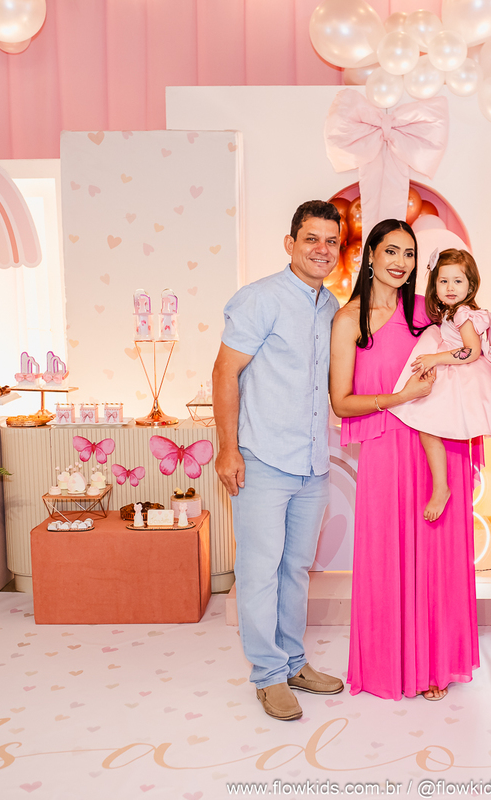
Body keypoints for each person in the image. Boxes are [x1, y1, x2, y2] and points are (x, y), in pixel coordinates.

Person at [330, 219, 480, 702]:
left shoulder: (426, 311)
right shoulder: (349, 320)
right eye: (391, 251)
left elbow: (469, 356)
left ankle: (436, 665)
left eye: (409, 254)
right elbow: (341, 402)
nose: (400, 262)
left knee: (438, 558)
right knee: (386, 558)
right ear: (370, 256)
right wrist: (400, 397)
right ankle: (390, 666)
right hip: (385, 449)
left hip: (437, 447)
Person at [212, 200, 346, 722]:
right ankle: (268, 674)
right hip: (262, 458)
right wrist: (228, 449)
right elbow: (225, 372)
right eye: (311, 238)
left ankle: (293, 662)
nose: (321, 249)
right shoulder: (260, 298)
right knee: (259, 571)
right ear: (290, 243)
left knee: (295, 570)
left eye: (331, 241)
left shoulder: (332, 307)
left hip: (312, 463)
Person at [389, 248, 491, 521]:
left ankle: (441, 487)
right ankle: (441, 486)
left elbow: (471, 351)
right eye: (443, 281)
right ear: (435, 285)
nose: (450, 287)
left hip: (463, 372)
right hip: (455, 370)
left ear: (470, 286)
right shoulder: (452, 312)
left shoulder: (462, 313)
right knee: (429, 427)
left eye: (457, 281)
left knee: (428, 426)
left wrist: (435, 358)